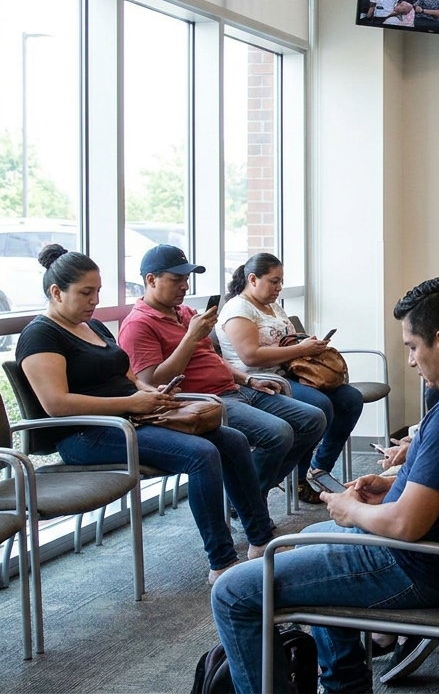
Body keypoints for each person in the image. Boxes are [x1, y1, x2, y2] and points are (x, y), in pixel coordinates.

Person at [211, 277, 439, 694]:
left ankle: (341, 680)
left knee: (232, 592)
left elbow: (405, 525)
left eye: (413, 347)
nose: (412, 361)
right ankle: (345, 683)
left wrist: (353, 511)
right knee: (309, 536)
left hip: (416, 562)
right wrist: (388, 485)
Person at [18, 245, 274, 584]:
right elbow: (57, 404)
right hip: (87, 434)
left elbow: (126, 374)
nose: (94, 301)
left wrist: (147, 392)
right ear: (56, 292)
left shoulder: (93, 327)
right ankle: (222, 562)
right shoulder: (40, 335)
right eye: (85, 293)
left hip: (131, 418)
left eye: (97, 292)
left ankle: (260, 541)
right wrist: (131, 404)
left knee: (233, 440)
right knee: (202, 455)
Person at [119, 244, 325, 495]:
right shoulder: (138, 325)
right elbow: (152, 383)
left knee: (313, 419)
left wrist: (247, 380)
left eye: (186, 279)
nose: (185, 286)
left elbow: (212, 357)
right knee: (279, 433)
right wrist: (190, 338)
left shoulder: (185, 313)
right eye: (176, 280)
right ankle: (248, 498)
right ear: (151, 280)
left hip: (237, 386)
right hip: (205, 400)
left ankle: (253, 491)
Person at [215, 253, 364, 505]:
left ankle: (317, 469)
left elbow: (288, 341)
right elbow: (251, 356)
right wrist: (303, 349)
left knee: (350, 399)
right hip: (259, 380)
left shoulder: (273, 306)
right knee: (320, 406)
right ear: (253, 279)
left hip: (287, 373)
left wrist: (309, 347)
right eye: (274, 281)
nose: (279, 288)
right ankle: (278, 482)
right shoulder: (238, 310)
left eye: (281, 281)